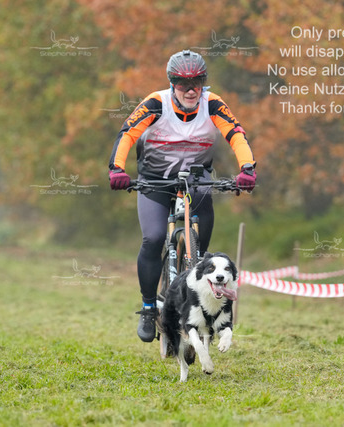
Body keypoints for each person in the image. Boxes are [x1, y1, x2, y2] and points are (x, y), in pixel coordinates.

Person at [108, 50, 256, 342]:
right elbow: (127, 134)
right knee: (153, 238)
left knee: (200, 254)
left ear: (203, 83)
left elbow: (236, 134)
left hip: (196, 179)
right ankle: (148, 307)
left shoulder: (212, 104)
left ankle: (199, 302)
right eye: (182, 83)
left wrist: (247, 168)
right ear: (172, 84)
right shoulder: (155, 103)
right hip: (155, 179)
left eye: (197, 83)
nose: (190, 90)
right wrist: (117, 169)